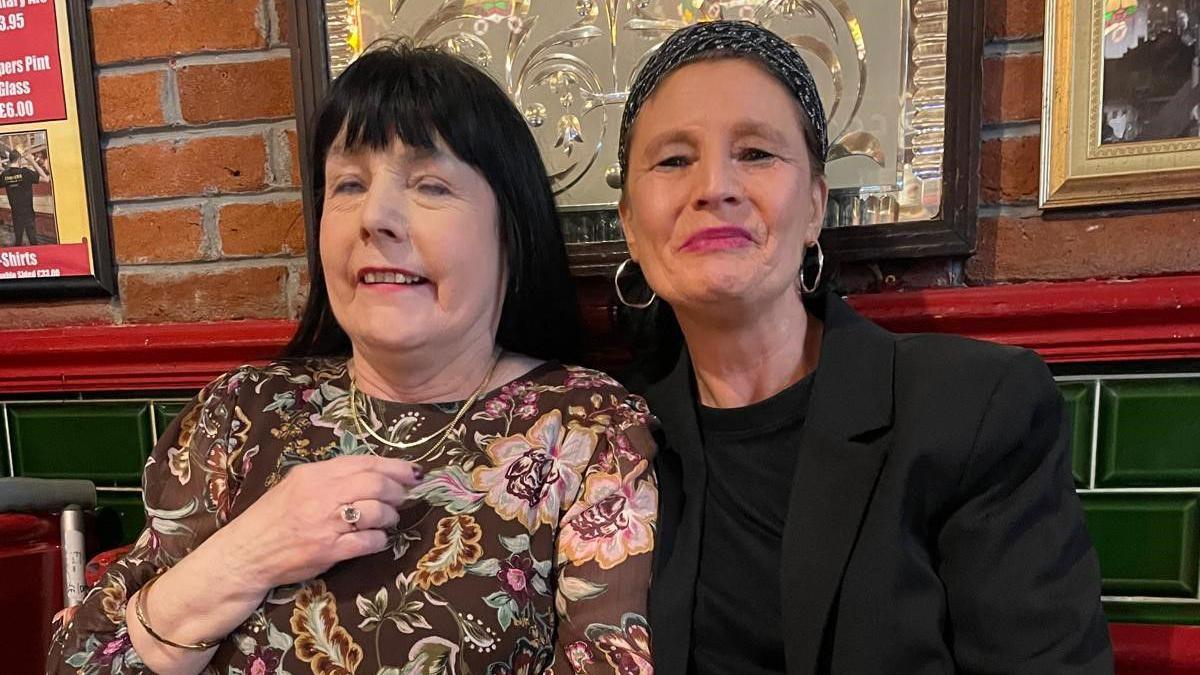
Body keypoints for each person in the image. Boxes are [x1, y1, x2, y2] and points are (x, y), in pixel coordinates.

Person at [48, 43, 657, 675]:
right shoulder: (242, 414)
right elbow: (83, 661)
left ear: (511, 229)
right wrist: (248, 553)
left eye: (429, 185)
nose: (376, 217)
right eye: (349, 184)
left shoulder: (588, 427)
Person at [614, 20, 1112, 674]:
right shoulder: (610, 440)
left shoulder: (973, 408)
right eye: (674, 159)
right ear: (628, 219)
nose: (715, 186)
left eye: (757, 153)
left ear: (816, 206)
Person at [1, 148, 49, 246]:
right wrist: (32, 162)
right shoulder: (25, 172)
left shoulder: (5, 175)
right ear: (19, 160)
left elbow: (6, 174)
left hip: (15, 214)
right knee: (33, 240)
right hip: (28, 214)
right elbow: (46, 179)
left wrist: (2, 170)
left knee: (18, 241)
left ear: (10, 160)